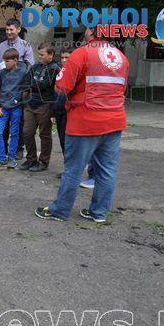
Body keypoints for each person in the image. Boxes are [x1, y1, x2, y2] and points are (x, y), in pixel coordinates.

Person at [36, 26, 129, 223]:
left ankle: (60, 210)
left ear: (92, 33)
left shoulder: (82, 53)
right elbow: (122, 89)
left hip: (85, 121)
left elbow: (61, 87)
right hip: (114, 120)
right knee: (106, 170)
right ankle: (99, 212)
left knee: (73, 169)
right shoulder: (121, 57)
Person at [0, 18, 35, 160]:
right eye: (7, 29)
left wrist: (16, 69)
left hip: (18, 89)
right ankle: (2, 148)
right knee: (3, 119)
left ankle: (18, 149)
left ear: (18, 29)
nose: (9, 32)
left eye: (11, 29)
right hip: (4, 87)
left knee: (18, 122)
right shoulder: (1, 46)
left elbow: (30, 66)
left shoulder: (25, 45)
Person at [21, 42, 59, 172]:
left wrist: (36, 83)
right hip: (30, 104)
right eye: (39, 54)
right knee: (27, 132)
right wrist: (33, 85)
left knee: (45, 134)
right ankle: (31, 159)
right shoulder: (35, 67)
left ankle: (43, 161)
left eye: (42, 54)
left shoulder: (55, 69)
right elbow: (26, 81)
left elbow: (46, 85)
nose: (39, 57)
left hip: (45, 105)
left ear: (51, 55)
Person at [0, 48, 30, 168]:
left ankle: (12, 158)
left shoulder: (23, 73)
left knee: (14, 133)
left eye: (7, 61)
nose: (5, 64)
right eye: (4, 61)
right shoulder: (1, 74)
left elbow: (26, 90)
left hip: (16, 108)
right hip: (3, 108)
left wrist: (22, 101)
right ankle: (1, 157)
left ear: (15, 60)